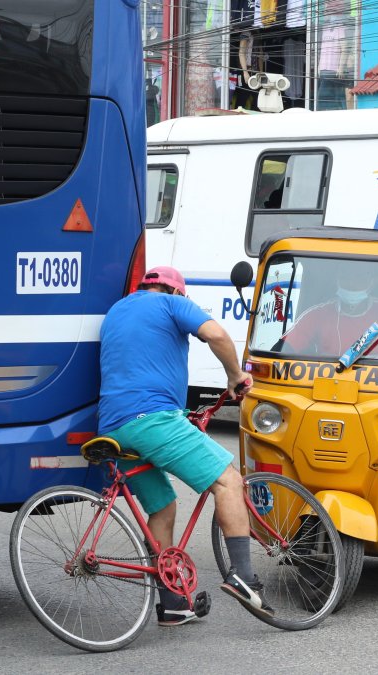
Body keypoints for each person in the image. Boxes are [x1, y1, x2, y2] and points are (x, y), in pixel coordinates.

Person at [97, 266, 260, 627]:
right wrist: (235, 375)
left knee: (163, 508)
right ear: (176, 292)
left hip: (113, 428)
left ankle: (172, 603)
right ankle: (244, 576)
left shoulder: (117, 310)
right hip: (152, 421)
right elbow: (215, 334)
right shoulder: (172, 304)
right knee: (228, 481)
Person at [281, 264, 378, 360]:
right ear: (336, 280)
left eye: (359, 278)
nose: (352, 284)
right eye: (345, 277)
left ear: (373, 282)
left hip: (377, 389)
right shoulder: (318, 314)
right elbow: (283, 349)